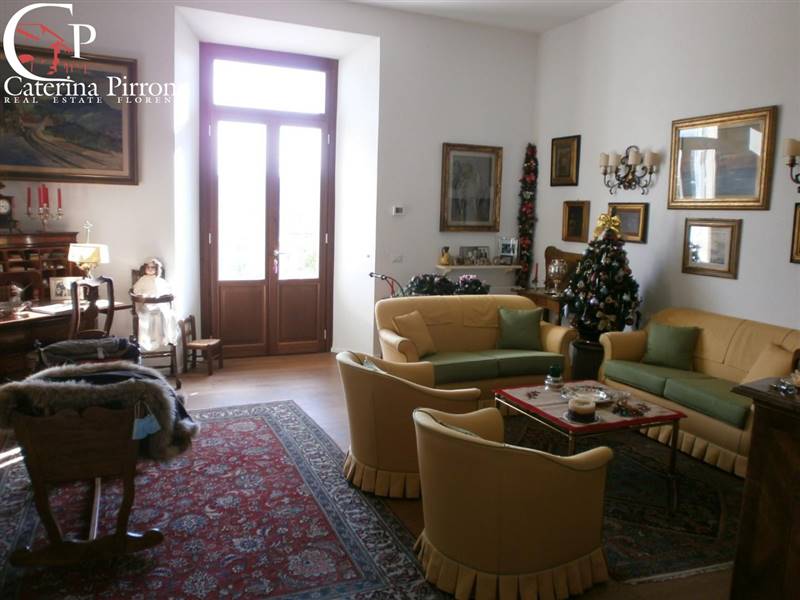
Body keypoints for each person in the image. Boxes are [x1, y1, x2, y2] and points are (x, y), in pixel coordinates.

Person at [131, 258, 178, 351]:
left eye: (153, 267)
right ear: (145, 268)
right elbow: (136, 290)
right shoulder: (142, 280)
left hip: (159, 303)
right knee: (150, 315)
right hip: (146, 304)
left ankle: (163, 337)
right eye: (148, 267)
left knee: (164, 314)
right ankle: (150, 341)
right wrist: (142, 295)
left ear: (157, 269)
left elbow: (168, 290)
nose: (150, 269)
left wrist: (162, 296)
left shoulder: (160, 280)